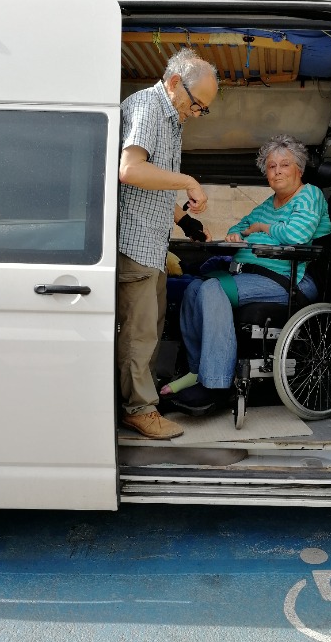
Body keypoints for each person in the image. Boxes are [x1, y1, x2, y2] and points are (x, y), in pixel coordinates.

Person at [161, 134, 331, 411]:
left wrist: (261, 229)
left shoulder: (309, 195)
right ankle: (196, 370)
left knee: (212, 288)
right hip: (253, 275)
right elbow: (238, 228)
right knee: (193, 288)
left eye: (284, 165)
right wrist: (238, 235)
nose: (277, 171)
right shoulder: (268, 204)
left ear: (299, 169)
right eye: (271, 166)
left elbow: (297, 235)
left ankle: (216, 385)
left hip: (288, 279)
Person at [118, 47, 219, 439]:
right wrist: (188, 181)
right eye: (197, 104)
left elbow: (152, 185)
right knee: (139, 333)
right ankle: (139, 410)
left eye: (203, 109)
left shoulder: (171, 118)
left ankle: (144, 402)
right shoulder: (148, 107)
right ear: (175, 82)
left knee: (151, 327)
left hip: (153, 245)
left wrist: (185, 221)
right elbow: (131, 170)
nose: (196, 113)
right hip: (135, 243)